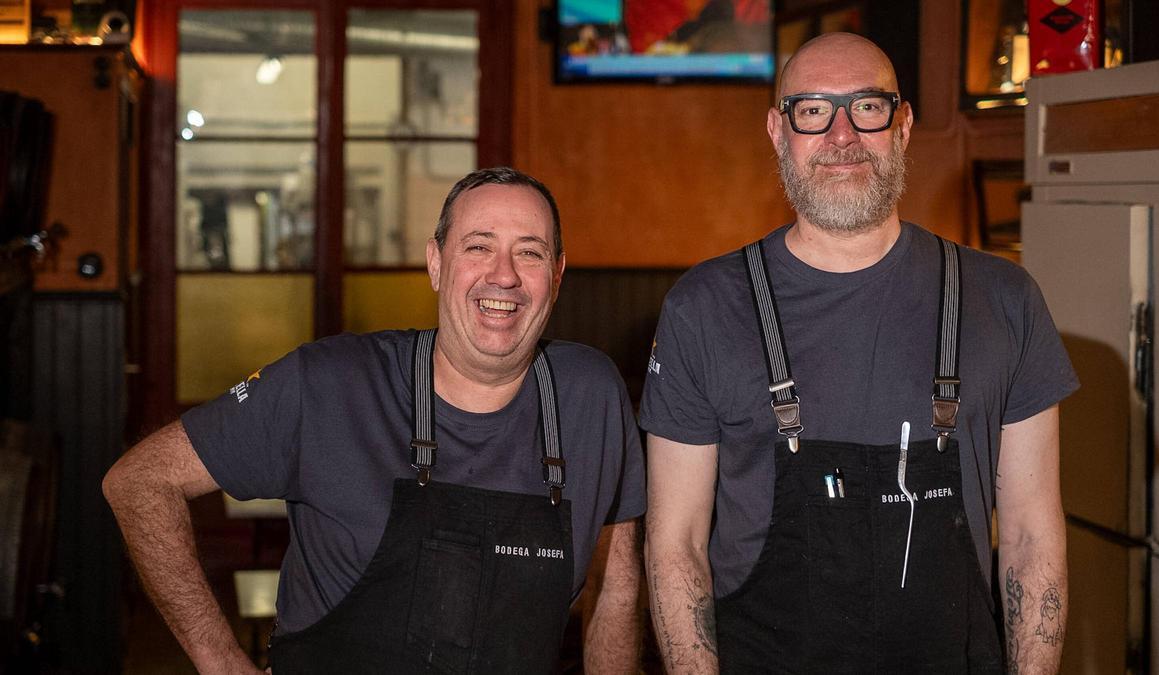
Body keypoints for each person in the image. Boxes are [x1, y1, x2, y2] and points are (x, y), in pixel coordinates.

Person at [640, 33, 1077, 673]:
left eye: (867, 107)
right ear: (778, 131)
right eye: (813, 110)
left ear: (903, 126)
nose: (841, 135)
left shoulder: (1004, 300)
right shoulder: (703, 307)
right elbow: (675, 546)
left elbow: (1032, 540)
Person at [104, 167, 646, 673]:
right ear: (436, 263)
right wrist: (222, 662)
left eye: (529, 253)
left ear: (556, 275)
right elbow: (140, 481)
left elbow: (615, 584)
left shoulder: (591, 394)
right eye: (478, 246)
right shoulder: (330, 383)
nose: (503, 275)